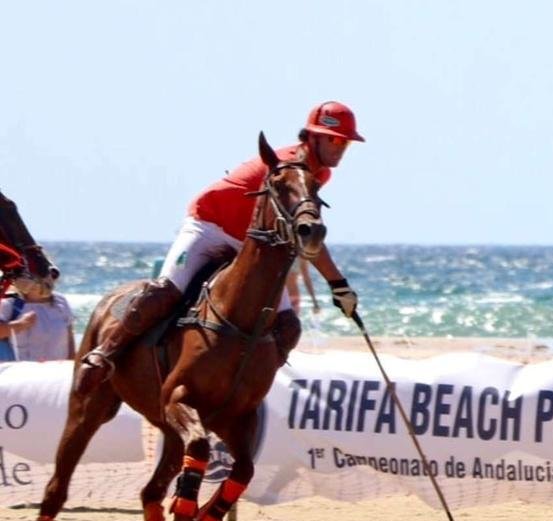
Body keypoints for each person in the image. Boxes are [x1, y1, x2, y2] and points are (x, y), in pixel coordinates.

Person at [75, 101, 365, 392]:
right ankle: (105, 355)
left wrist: (338, 286)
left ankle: (241, 388)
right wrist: (336, 283)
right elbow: (307, 239)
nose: (341, 147)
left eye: (346, 143)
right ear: (310, 137)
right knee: (167, 290)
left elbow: (308, 235)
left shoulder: (319, 175)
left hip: (247, 243)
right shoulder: (289, 166)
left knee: (288, 327)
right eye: (334, 139)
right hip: (209, 226)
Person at [0, 280, 75, 362]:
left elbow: (70, 337)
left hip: (58, 369)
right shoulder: (11, 302)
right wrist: (20, 324)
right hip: (22, 370)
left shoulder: (60, 301)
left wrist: (72, 365)